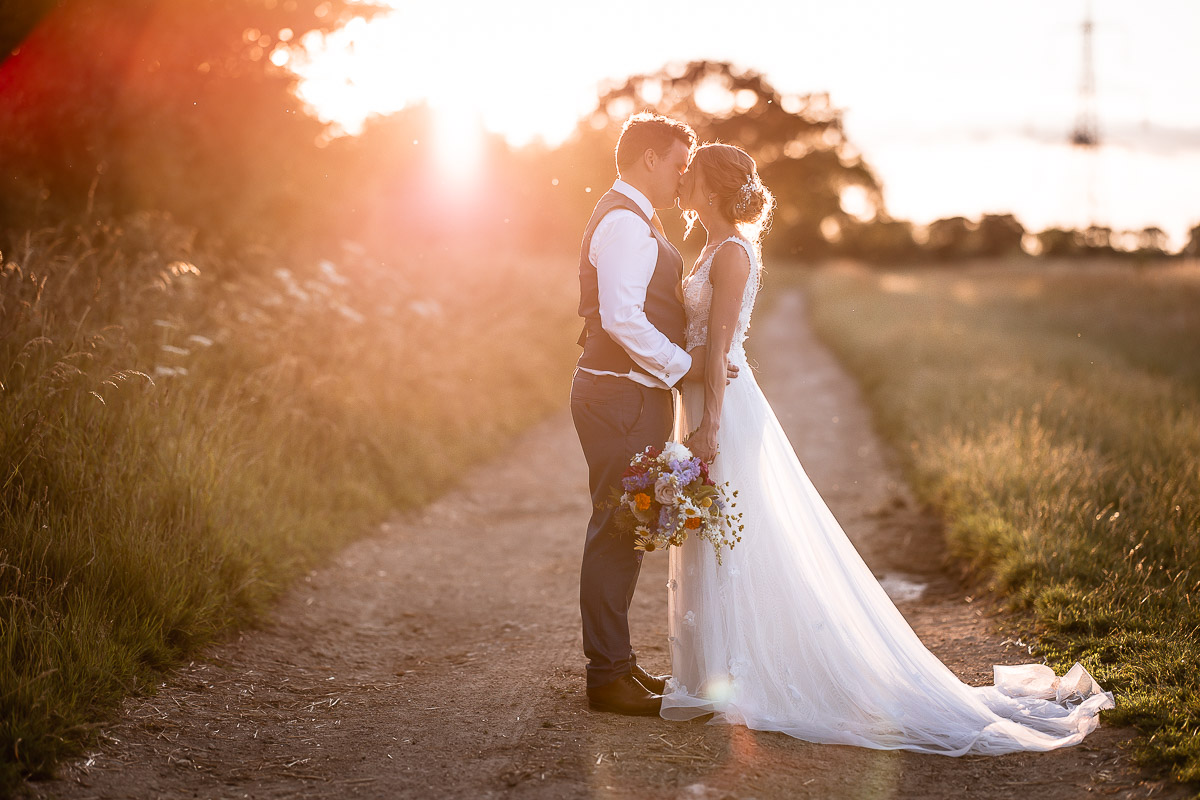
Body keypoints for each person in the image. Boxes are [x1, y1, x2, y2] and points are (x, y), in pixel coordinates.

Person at [660, 142, 1115, 754]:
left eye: (690, 176)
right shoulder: (715, 248)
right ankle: (715, 670)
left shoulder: (733, 253)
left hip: (726, 411)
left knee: (735, 531)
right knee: (718, 531)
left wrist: (710, 422)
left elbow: (717, 350)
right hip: (709, 399)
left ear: (711, 190)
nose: (681, 183)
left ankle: (746, 676)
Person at [570, 113, 738, 716]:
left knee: (625, 530)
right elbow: (619, 315)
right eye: (676, 161)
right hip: (619, 393)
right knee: (616, 530)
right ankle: (607, 677)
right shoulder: (623, 222)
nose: (682, 174)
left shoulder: (635, 218)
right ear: (648, 159)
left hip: (629, 393)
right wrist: (683, 366)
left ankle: (619, 666)